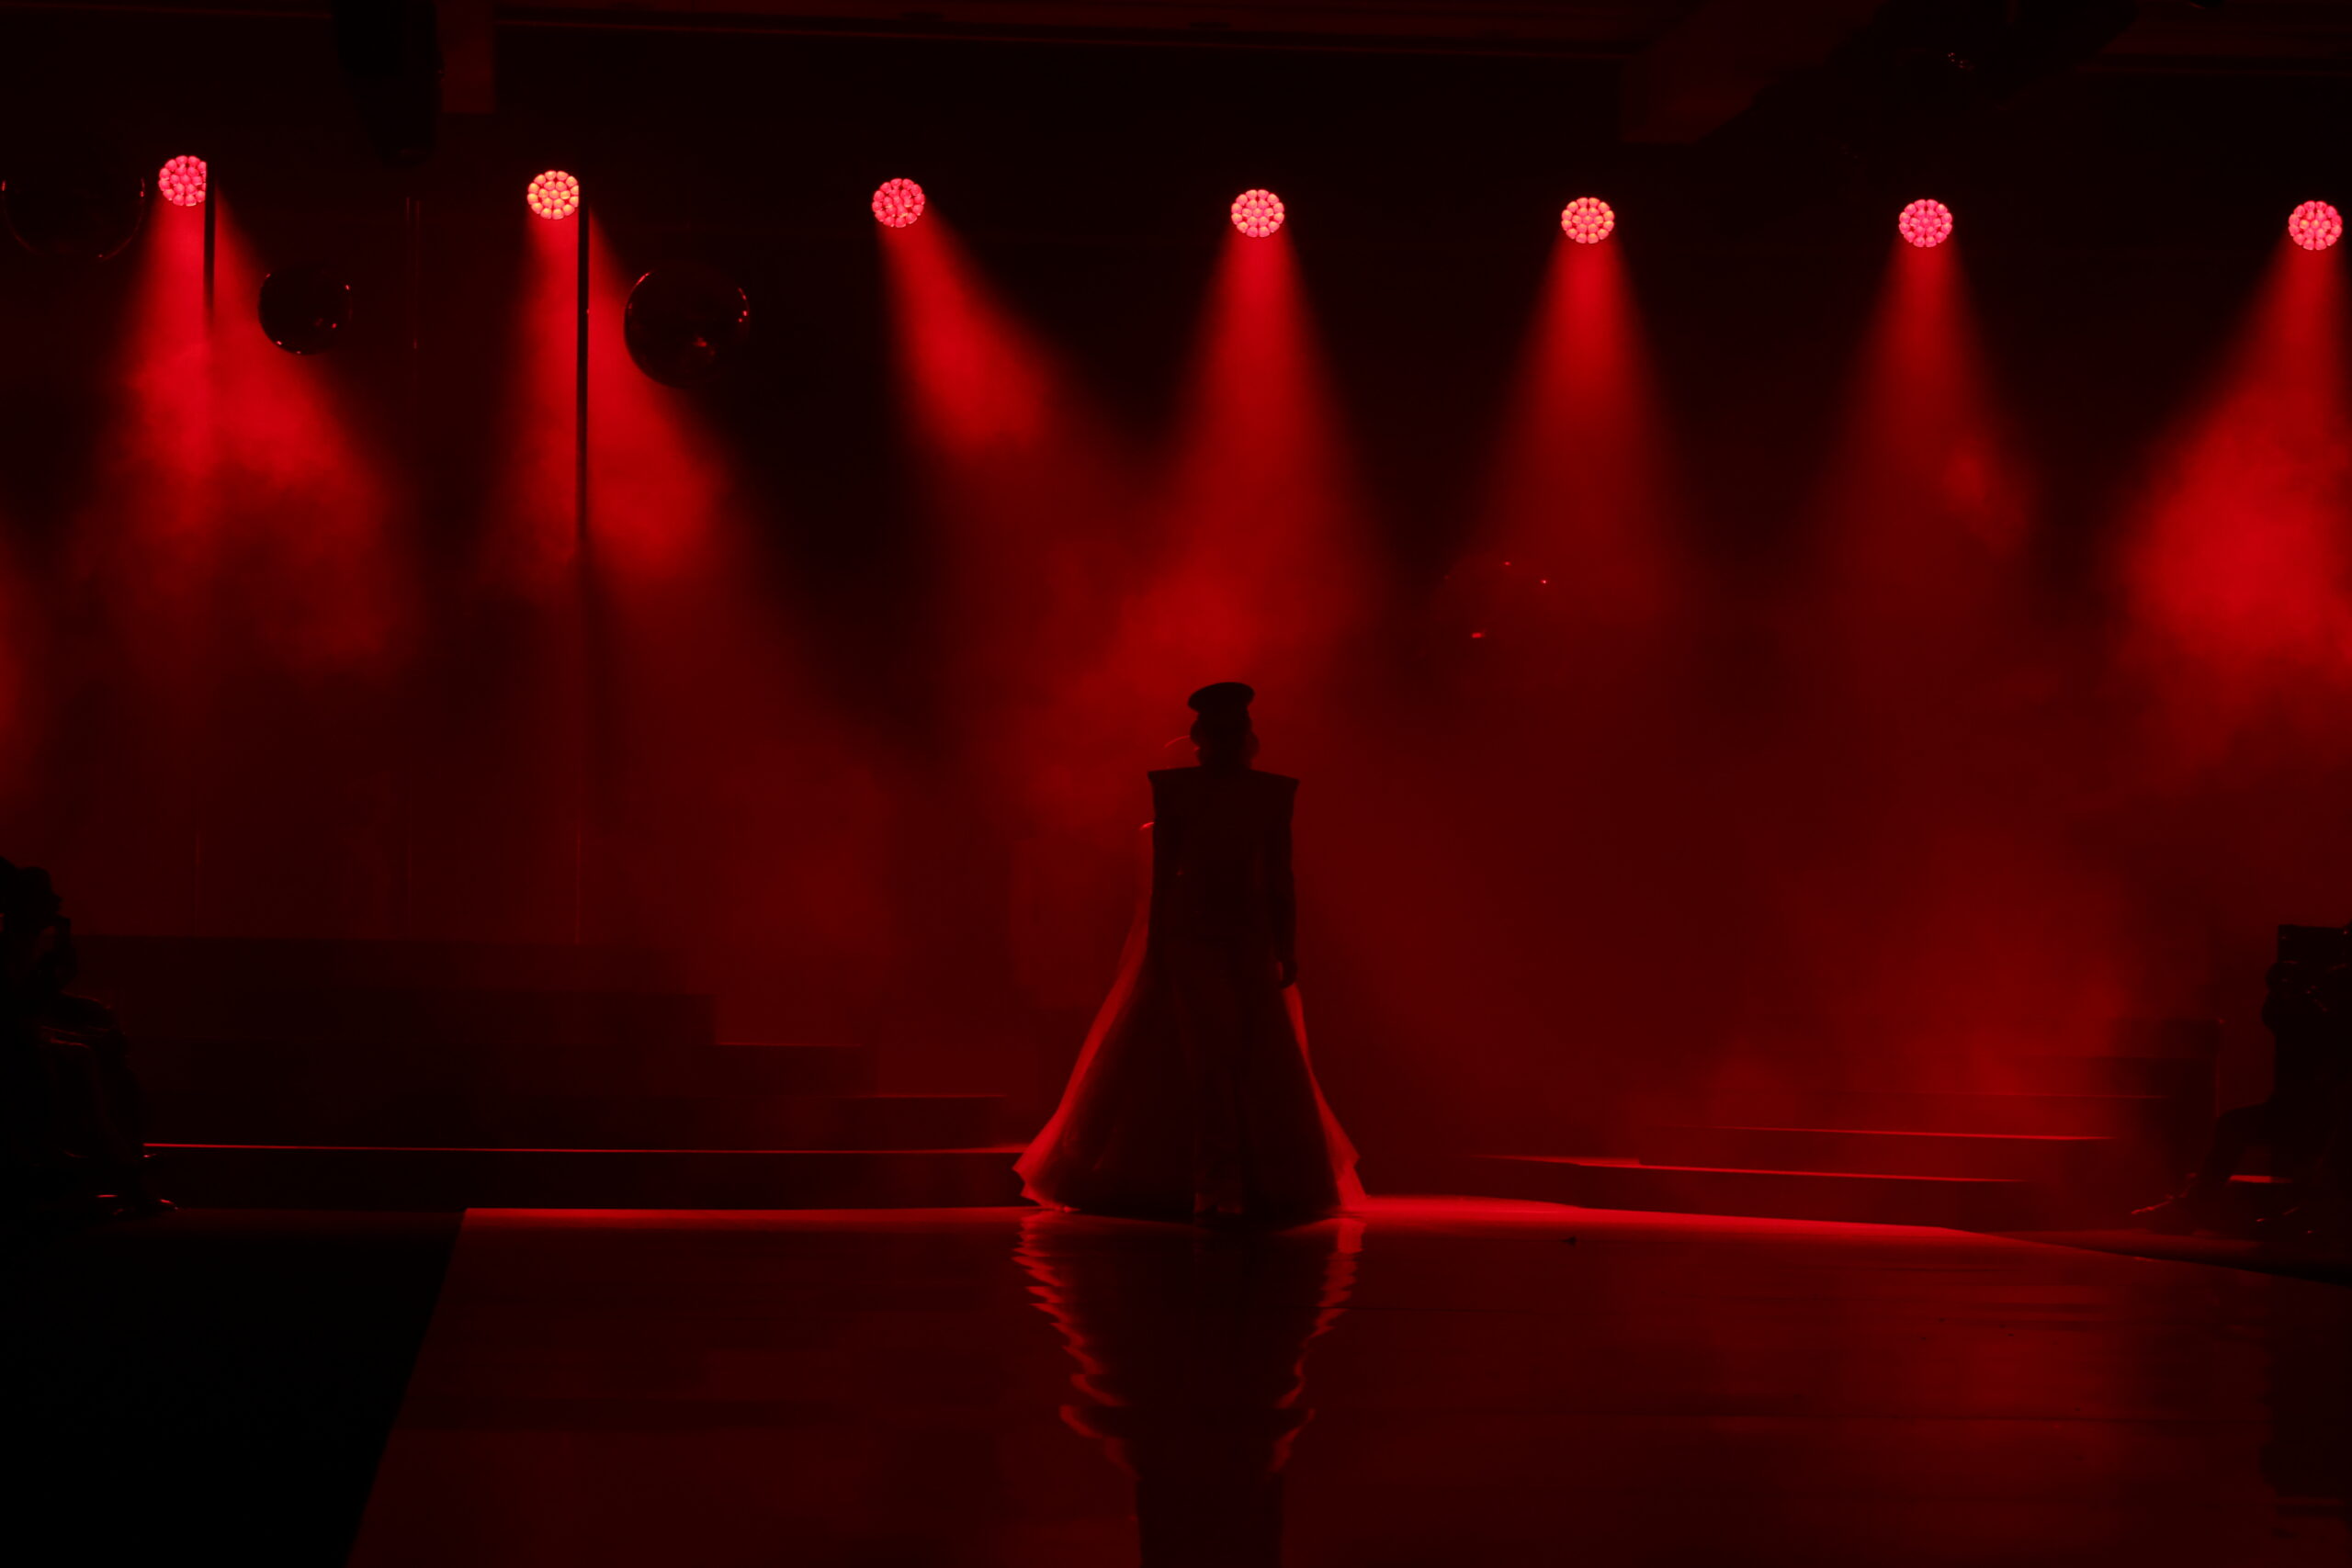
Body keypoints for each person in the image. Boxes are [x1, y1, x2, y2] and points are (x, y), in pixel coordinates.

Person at [1017, 682, 1362, 1224]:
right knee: (1217, 1053)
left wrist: (1282, 941)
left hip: (1231, 934)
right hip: (1207, 933)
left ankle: (1227, 1181)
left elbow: (1271, 875)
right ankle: (1218, 1182)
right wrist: (1166, 942)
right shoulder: (1204, 791)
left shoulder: (1252, 793)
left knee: (1238, 1052)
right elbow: (1185, 875)